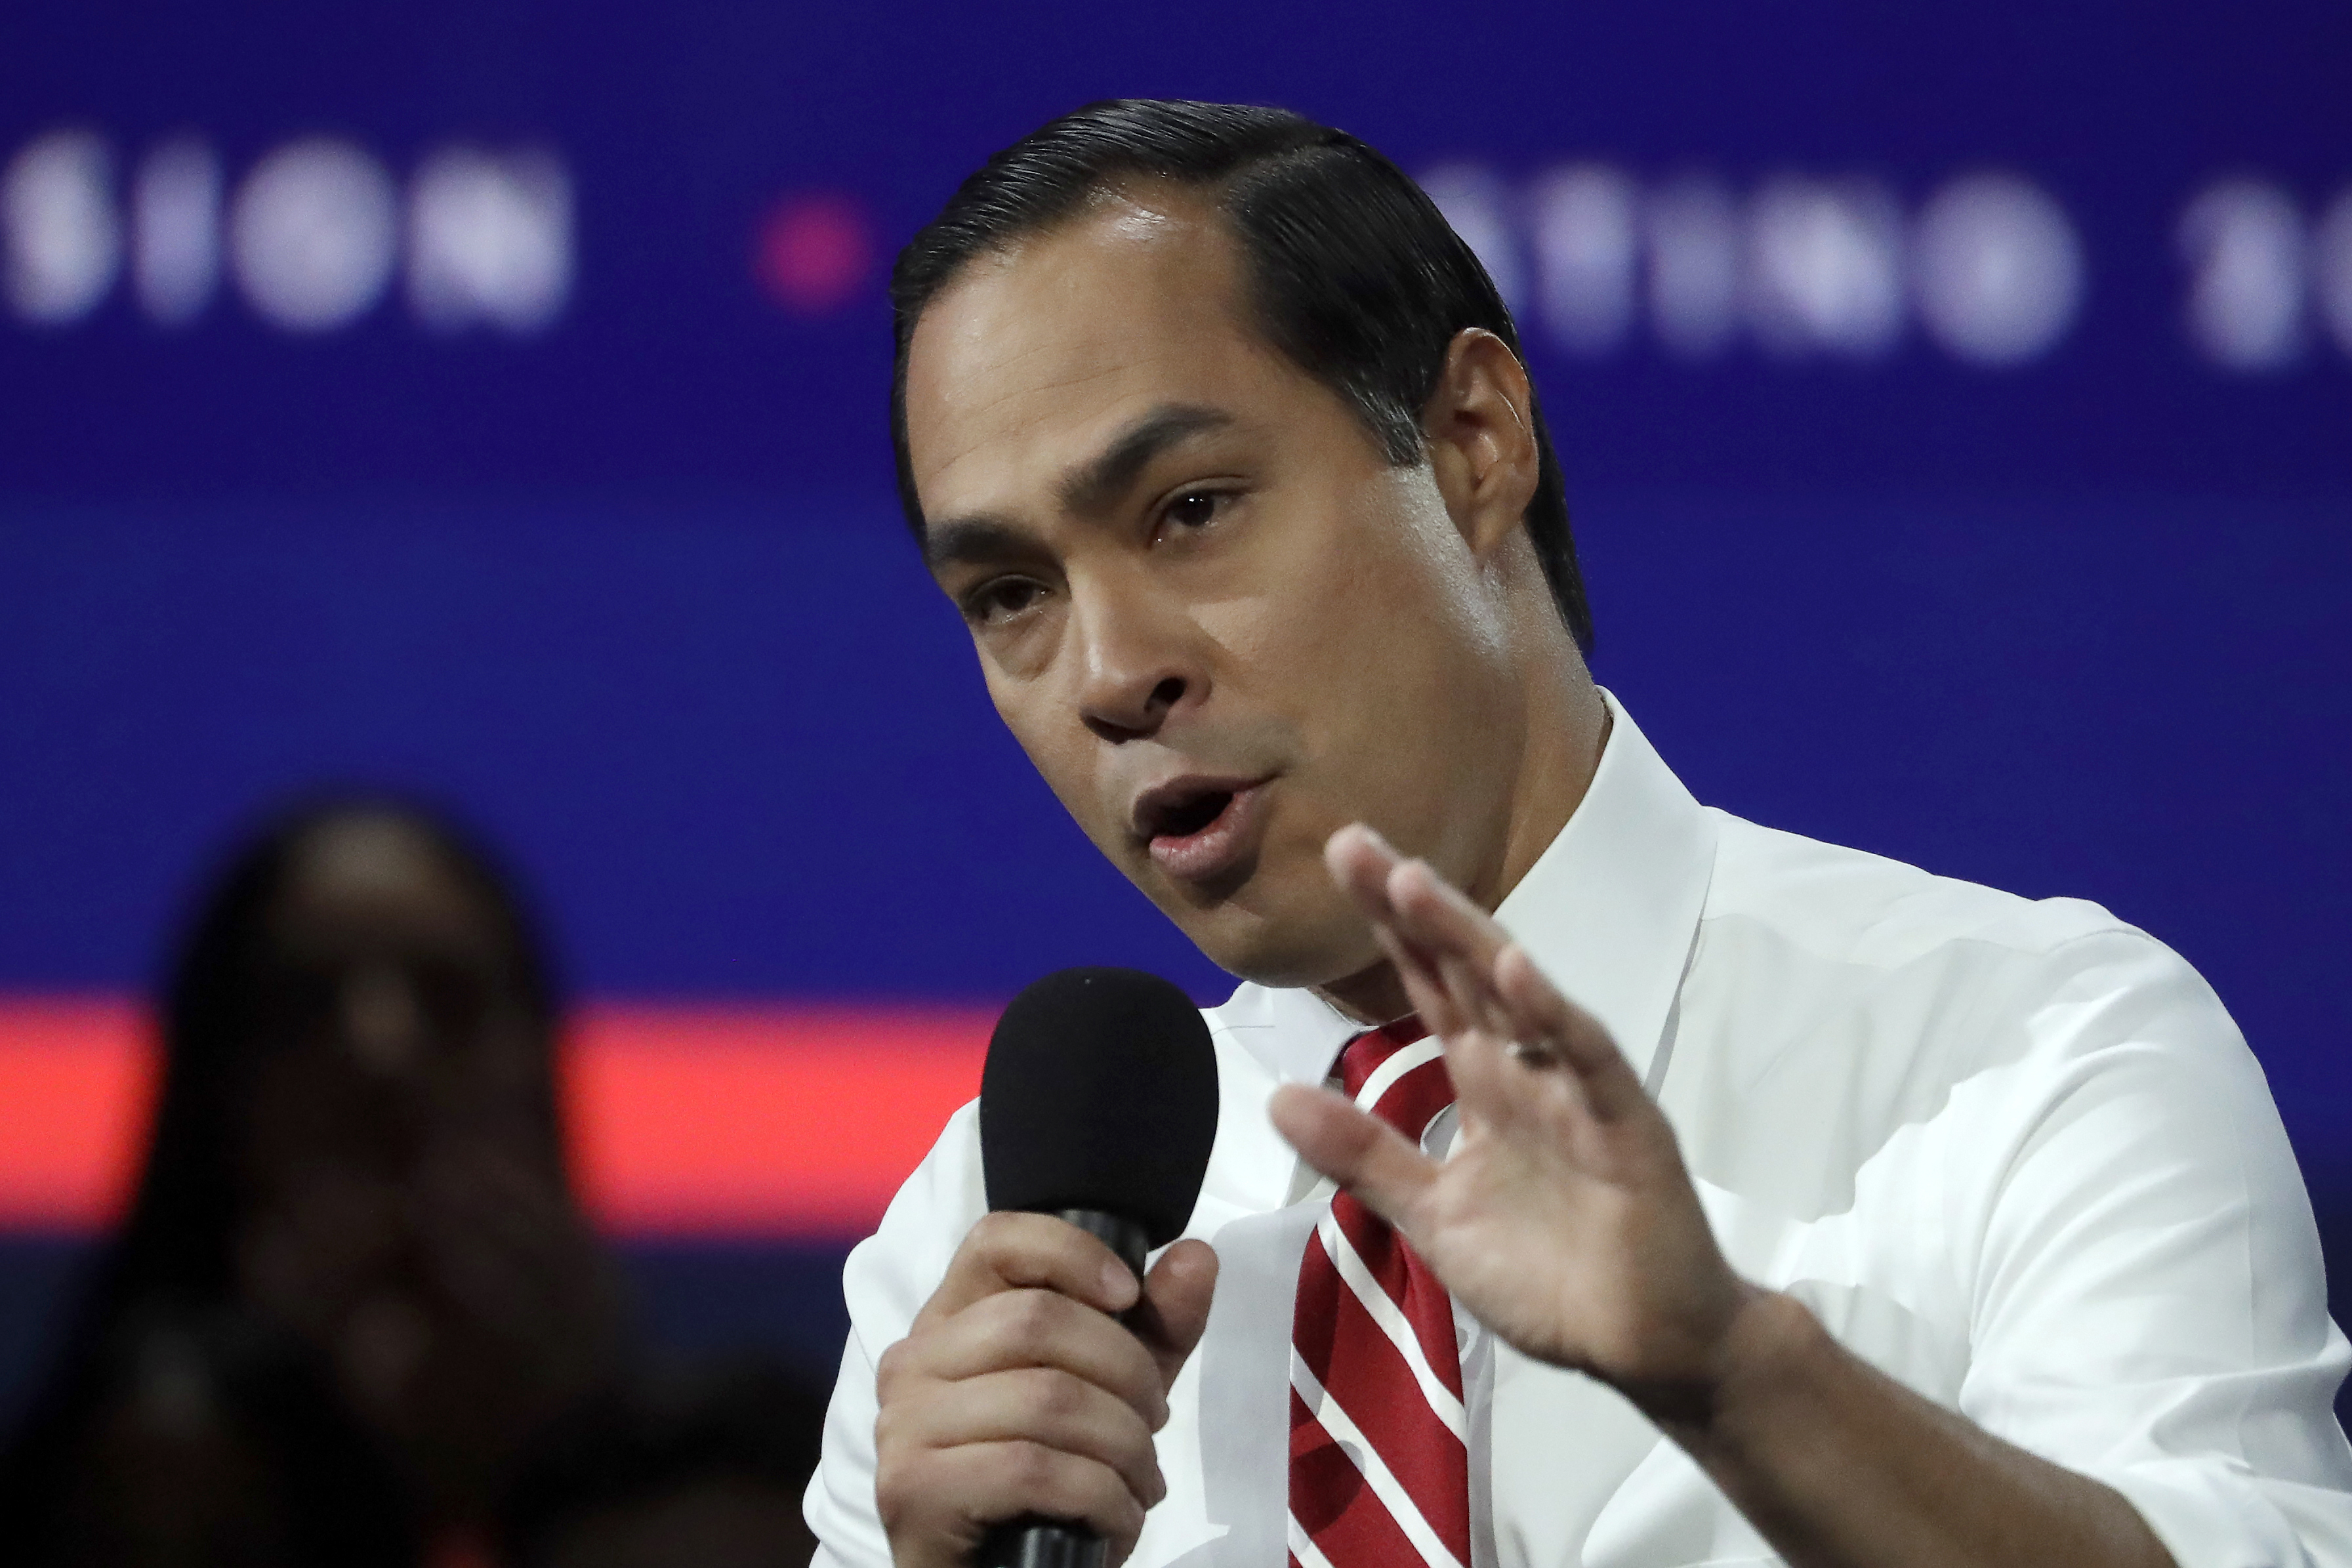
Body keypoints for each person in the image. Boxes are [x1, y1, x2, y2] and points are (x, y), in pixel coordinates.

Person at [804, 99, 2352, 1568]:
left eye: (1191, 508)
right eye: (1010, 594)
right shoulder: (991, 1246)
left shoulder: (2031, 1055)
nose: (1106, 671)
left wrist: (1739, 1377)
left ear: (1473, 442)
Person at [0, 799, 623, 1566]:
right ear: (217, 1076)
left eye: (449, 995)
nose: (381, 1047)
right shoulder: (108, 1482)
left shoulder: (710, 1485)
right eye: (304, 1004)